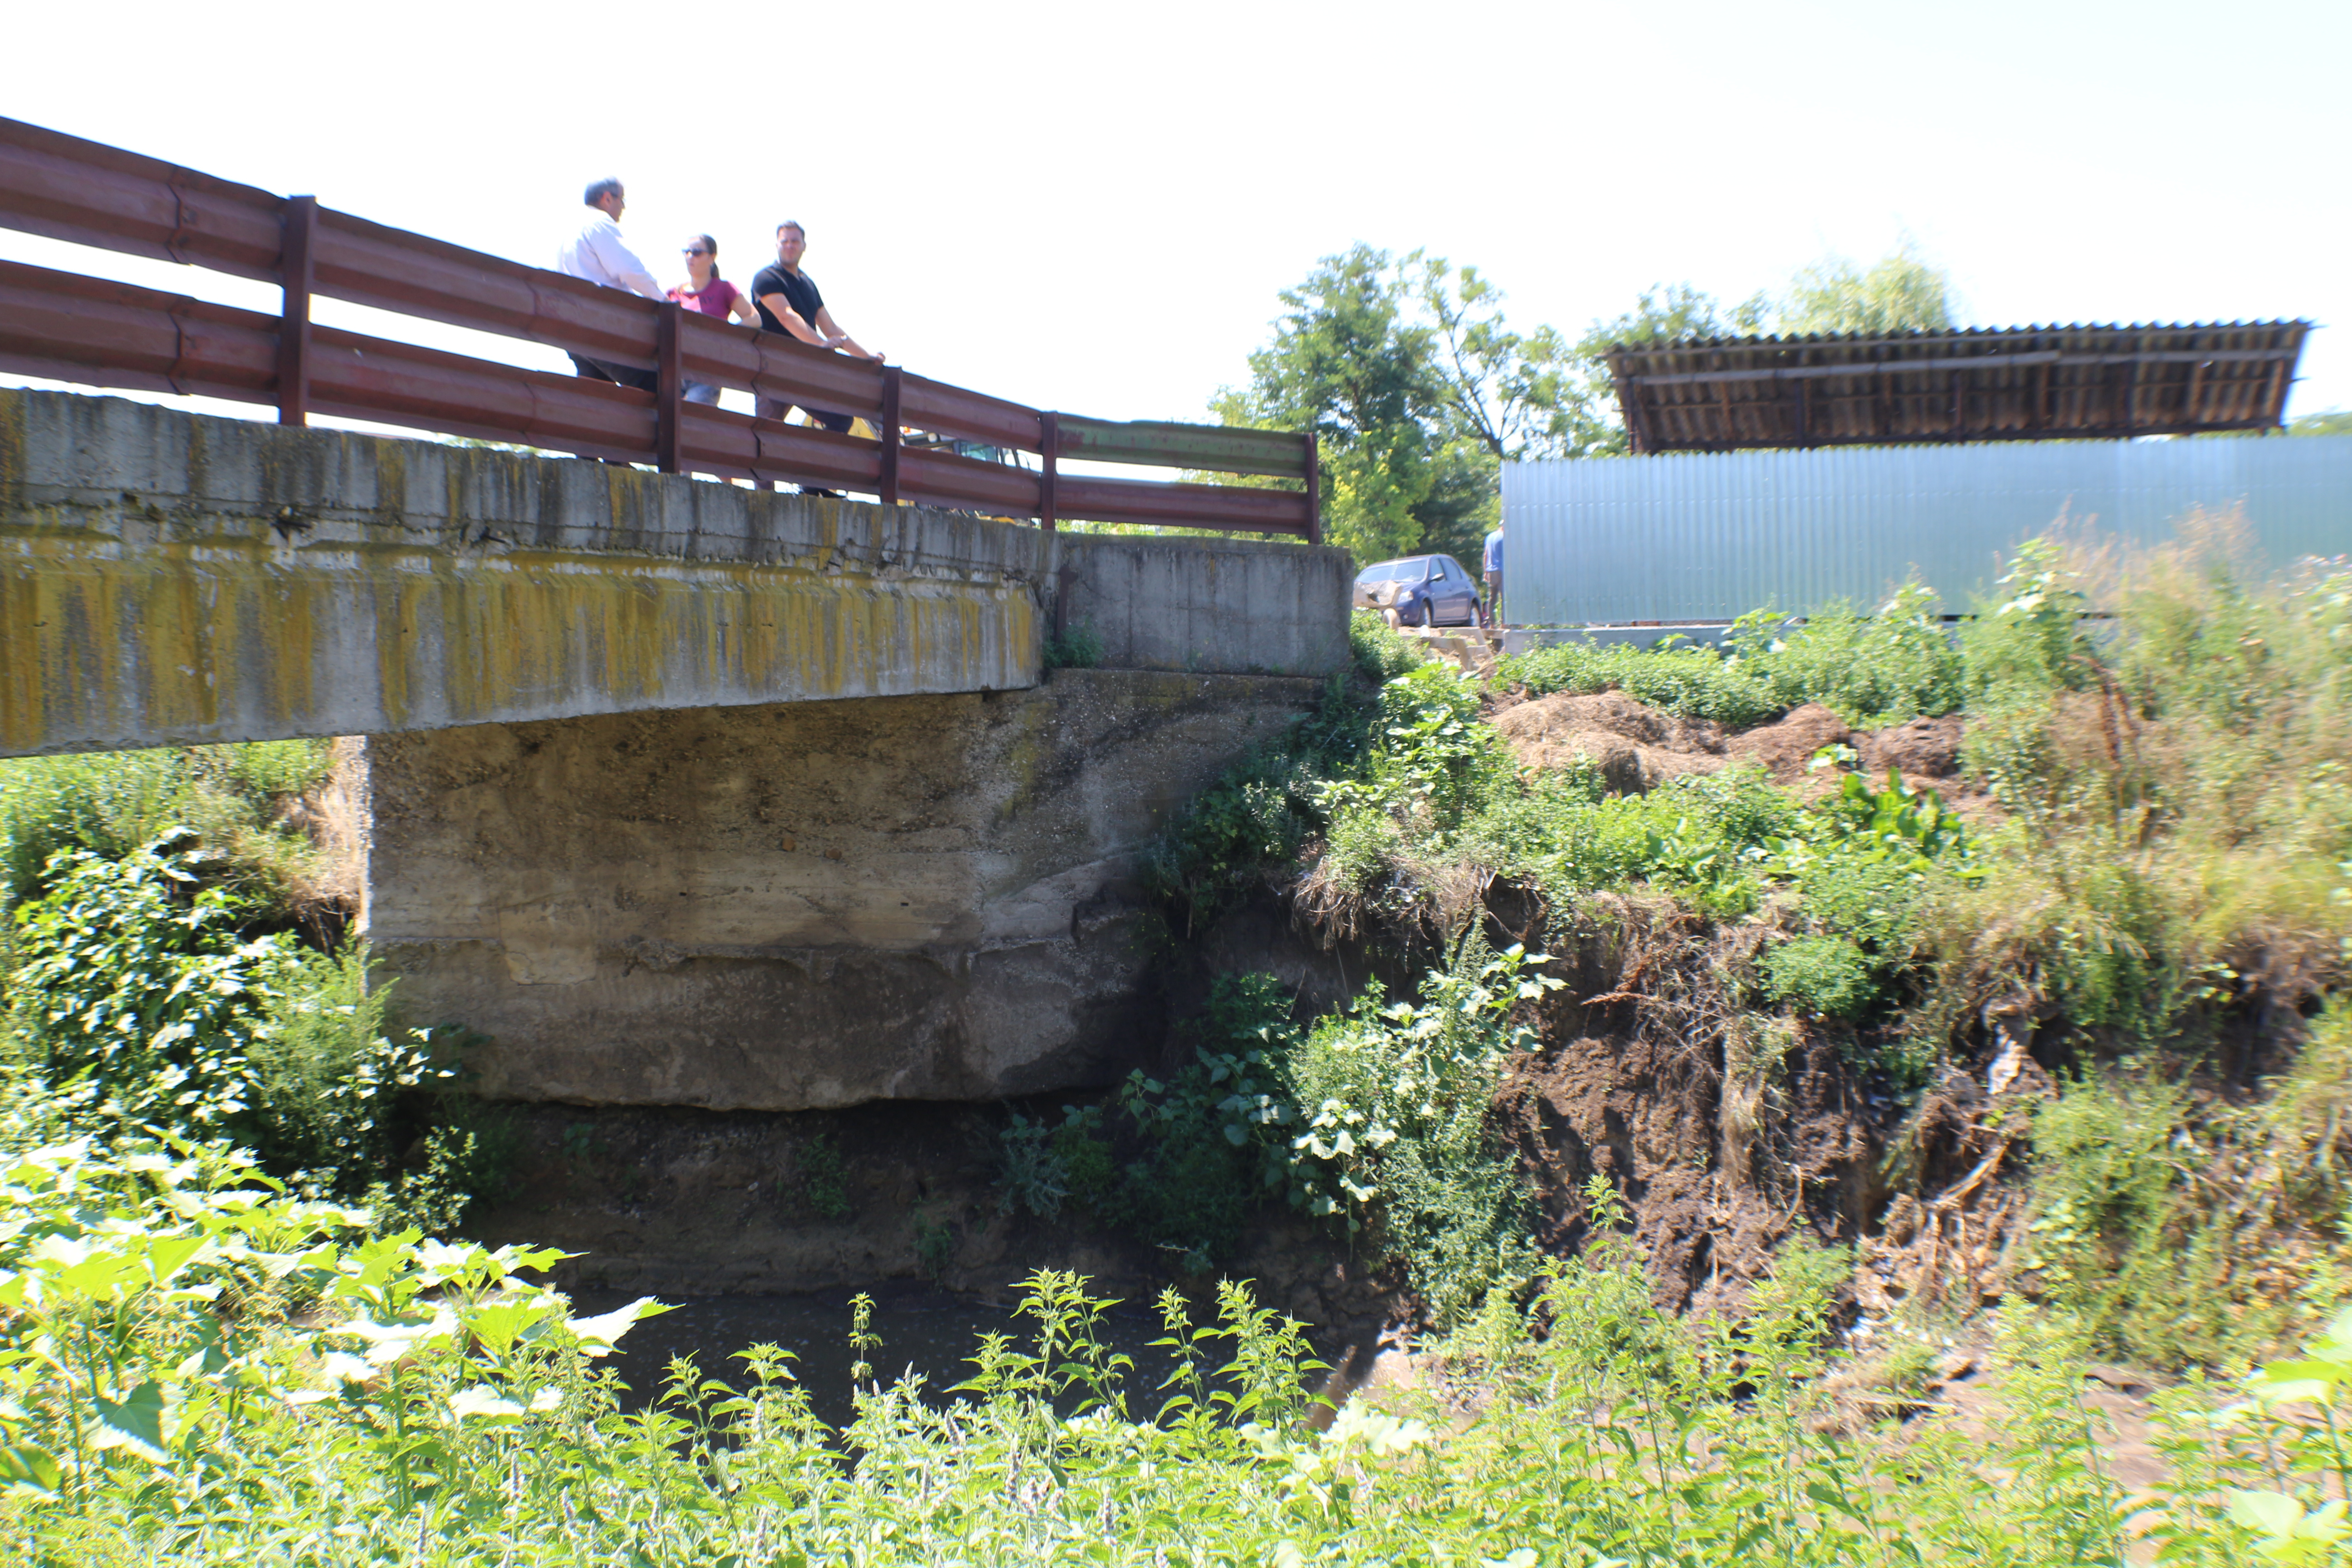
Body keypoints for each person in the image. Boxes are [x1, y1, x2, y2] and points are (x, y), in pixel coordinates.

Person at [750, 220, 882, 434]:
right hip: (773, 368)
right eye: (785, 242)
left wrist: (866, 356)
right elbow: (787, 317)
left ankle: (816, 465)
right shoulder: (766, 278)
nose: (790, 246)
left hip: (803, 370)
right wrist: (821, 344)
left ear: (804, 246)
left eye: (795, 241)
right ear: (777, 245)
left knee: (840, 419)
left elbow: (830, 326)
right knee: (765, 435)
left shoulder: (808, 284)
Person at [555, 178, 664, 392]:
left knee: (597, 402)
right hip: (603, 326)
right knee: (659, 387)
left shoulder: (569, 230)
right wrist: (663, 301)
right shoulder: (599, 223)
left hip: (572, 327)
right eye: (621, 200)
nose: (623, 207)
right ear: (607, 198)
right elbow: (628, 270)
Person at [668, 234, 760, 405]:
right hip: (673, 368)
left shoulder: (723, 288)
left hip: (706, 371)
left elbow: (754, 318)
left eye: (696, 252)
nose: (690, 257)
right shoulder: (673, 294)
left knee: (693, 422)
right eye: (687, 252)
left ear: (712, 257)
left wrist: (725, 334)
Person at [1482, 520, 1505, 628]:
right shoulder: (1505, 537)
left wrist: (1486, 571)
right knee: (1504, 598)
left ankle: (1492, 624)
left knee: (1492, 599)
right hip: (1502, 571)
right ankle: (1504, 623)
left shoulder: (1490, 537)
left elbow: (1486, 555)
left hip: (1491, 571)